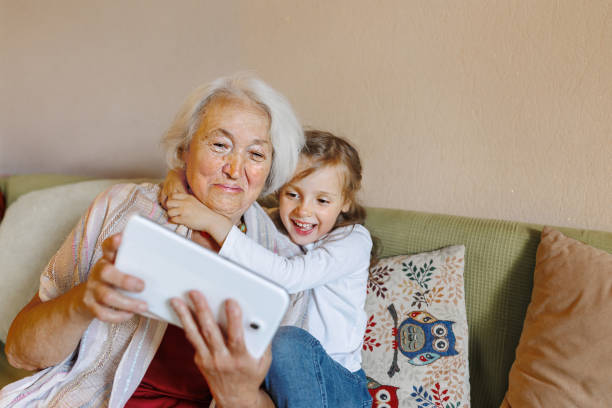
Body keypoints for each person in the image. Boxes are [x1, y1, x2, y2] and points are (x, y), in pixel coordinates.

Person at [0, 74, 304, 408]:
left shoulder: (288, 266)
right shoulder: (122, 208)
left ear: (271, 167)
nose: (235, 169)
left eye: (256, 155)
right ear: (185, 152)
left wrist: (239, 394)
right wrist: (84, 300)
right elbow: (20, 351)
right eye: (220, 145)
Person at [162, 130, 374, 406]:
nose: (303, 211)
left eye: (322, 200)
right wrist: (176, 178)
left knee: (286, 342)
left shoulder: (353, 240)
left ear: (345, 201)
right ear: (278, 190)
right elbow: (236, 206)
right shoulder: (271, 230)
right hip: (279, 382)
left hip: (340, 385)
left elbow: (290, 276)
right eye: (293, 194)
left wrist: (213, 223)